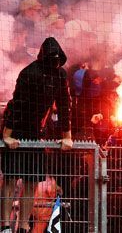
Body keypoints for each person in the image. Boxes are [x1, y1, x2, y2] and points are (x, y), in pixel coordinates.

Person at [1, 37, 73, 233]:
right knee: (10, 178)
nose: (55, 63)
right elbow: (17, 105)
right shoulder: (28, 73)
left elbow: (65, 106)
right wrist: (7, 135)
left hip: (36, 134)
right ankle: (6, 226)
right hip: (17, 129)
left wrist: (67, 136)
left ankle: (24, 226)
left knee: (32, 180)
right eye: (52, 59)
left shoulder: (60, 76)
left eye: (58, 59)